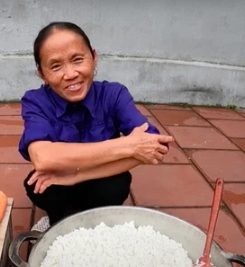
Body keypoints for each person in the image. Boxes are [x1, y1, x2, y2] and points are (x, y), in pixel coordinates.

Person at [19, 22, 174, 231]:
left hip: (102, 177)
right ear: (42, 74)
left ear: (93, 57)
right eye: (56, 66)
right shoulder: (35, 101)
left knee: (116, 185)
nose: (70, 73)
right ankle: (56, 222)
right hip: (56, 179)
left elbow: (154, 145)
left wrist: (76, 174)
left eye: (77, 59)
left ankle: (100, 222)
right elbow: (43, 158)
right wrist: (129, 145)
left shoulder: (114, 94)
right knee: (38, 186)